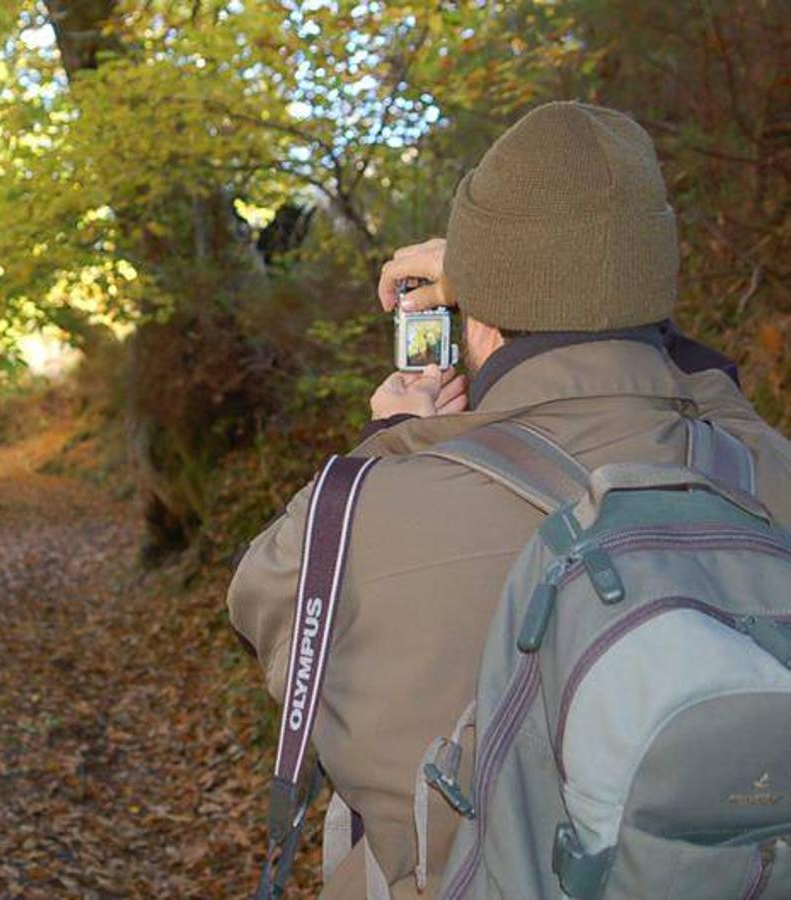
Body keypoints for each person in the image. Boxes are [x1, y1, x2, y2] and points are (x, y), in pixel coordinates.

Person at [227, 101, 791, 899]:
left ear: (478, 308)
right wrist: (545, 273)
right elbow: (710, 390)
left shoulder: (366, 517)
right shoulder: (760, 466)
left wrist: (391, 440)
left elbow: (270, 608)